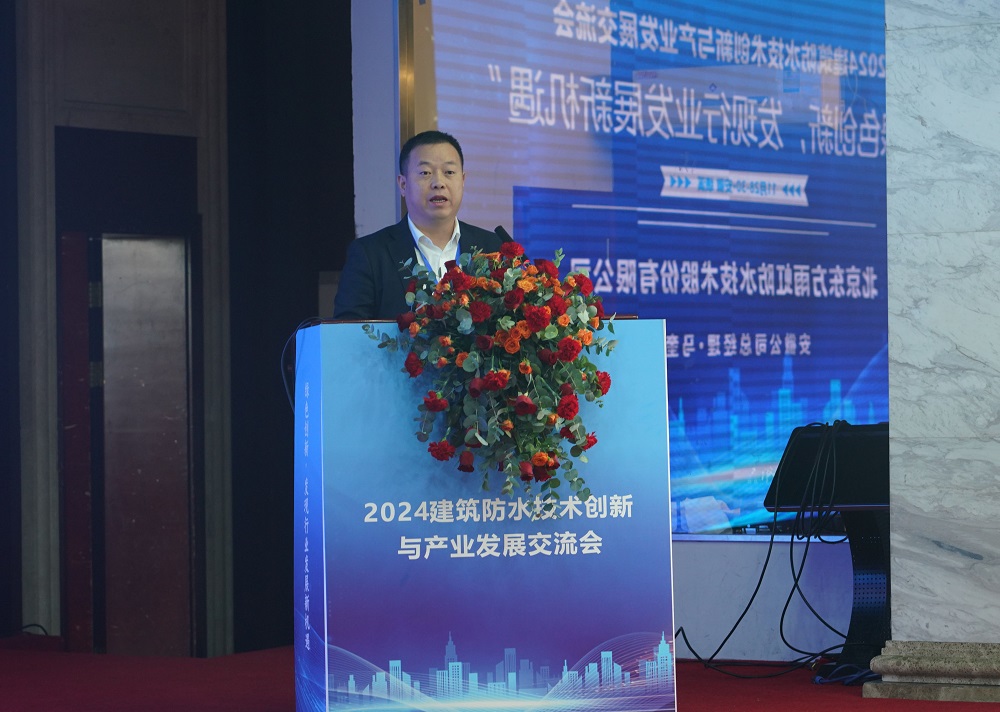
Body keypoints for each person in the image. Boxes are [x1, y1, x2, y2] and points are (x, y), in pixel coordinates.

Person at [333, 130, 509, 320]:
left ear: (463, 181)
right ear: (403, 184)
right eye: (425, 173)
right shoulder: (370, 254)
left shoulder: (493, 247)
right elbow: (348, 330)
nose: (438, 183)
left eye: (449, 172)